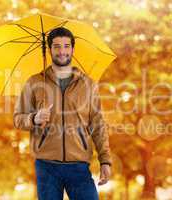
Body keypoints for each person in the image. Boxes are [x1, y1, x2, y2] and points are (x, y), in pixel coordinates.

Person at [13, 27, 111, 200]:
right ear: (50, 49)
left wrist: (105, 160)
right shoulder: (35, 82)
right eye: (57, 46)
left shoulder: (88, 84)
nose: (62, 51)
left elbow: (98, 124)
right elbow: (18, 118)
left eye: (66, 46)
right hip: (46, 166)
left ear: (73, 49)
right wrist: (34, 118)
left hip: (79, 165)